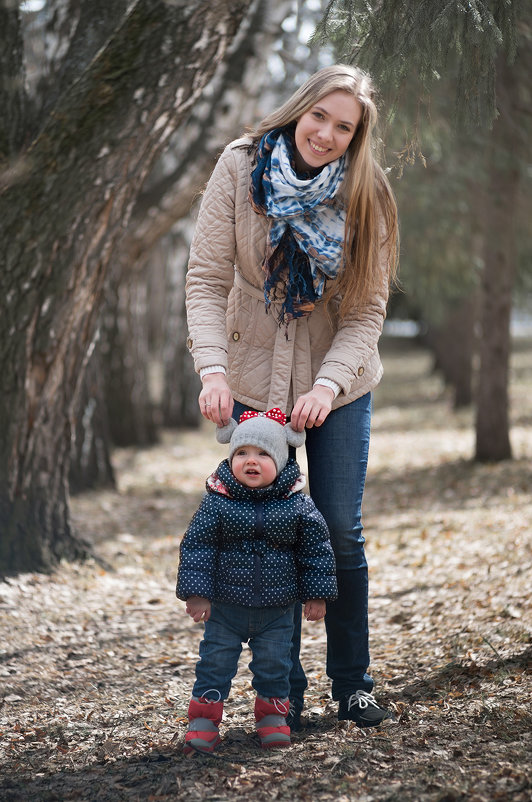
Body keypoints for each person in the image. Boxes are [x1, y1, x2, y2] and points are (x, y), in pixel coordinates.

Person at [185, 63, 399, 730]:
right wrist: (213, 371)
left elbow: (366, 313)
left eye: (345, 127)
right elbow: (206, 277)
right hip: (248, 376)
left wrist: (329, 385)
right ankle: (285, 689)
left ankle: (352, 681)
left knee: (334, 528)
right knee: (265, 535)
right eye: (320, 118)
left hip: (337, 382)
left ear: (357, 138)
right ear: (299, 110)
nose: (328, 134)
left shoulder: (369, 196)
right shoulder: (240, 165)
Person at [176, 409, 337, 753]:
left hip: (278, 612)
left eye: (263, 454)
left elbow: (316, 552)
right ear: (231, 457)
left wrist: (316, 595)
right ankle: (203, 721)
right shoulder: (217, 502)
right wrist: (197, 593)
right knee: (214, 663)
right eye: (243, 453)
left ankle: (272, 719)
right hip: (225, 608)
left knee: (275, 667)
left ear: (280, 460)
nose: (252, 461)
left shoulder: (297, 505)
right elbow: (197, 546)